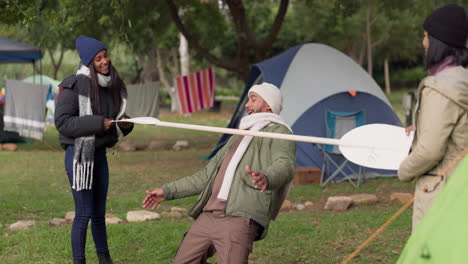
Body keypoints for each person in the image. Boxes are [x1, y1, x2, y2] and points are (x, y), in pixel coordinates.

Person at [143, 82, 296, 263]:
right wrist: (167, 191)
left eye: (253, 99)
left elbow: (285, 165)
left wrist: (268, 178)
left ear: (269, 104)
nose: (247, 105)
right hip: (209, 215)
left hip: (239, 217)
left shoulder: (279, 132)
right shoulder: (238, 136)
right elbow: (205, 177)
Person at [55, 35, 134, 264]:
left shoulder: (111, 86)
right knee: (84, 214)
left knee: (99, 214)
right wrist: (98, 123)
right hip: (79, 157)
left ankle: (104, 259)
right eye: (98, 58)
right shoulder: (74, 84)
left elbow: (113, 121)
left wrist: (125, 124)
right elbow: (63, 124)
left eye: (105, 55)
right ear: (89, 62)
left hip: (99, 156)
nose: (104, 61)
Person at [398, 4, 468, 232]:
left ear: (439, 41)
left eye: (426, 36)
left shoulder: (440, 87)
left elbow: (430, 151)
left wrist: (404, 170)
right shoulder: (463, 80)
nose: (423, 43)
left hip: (442, 192)